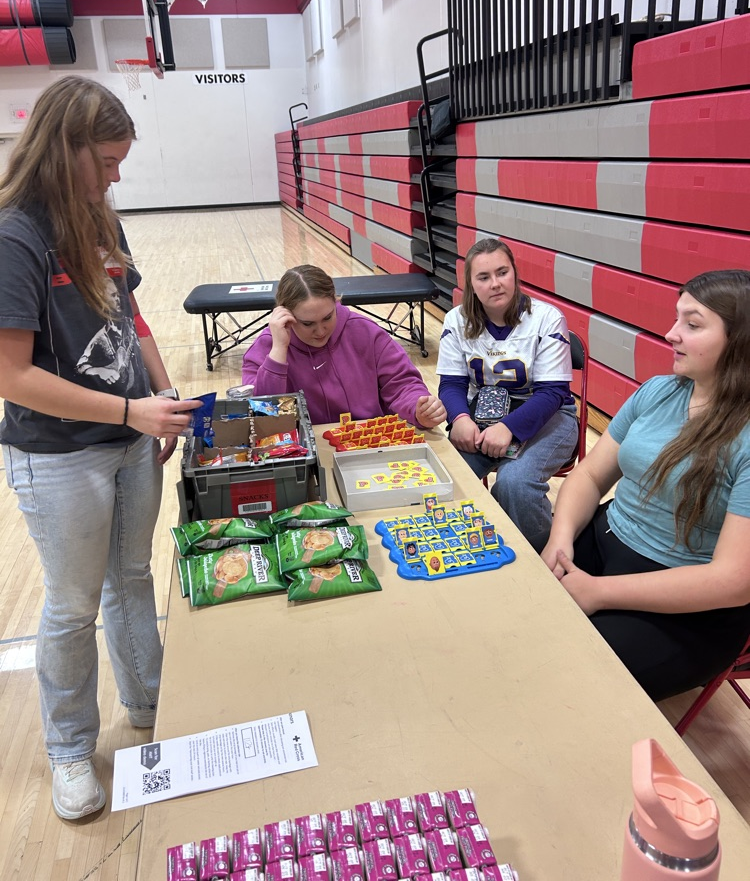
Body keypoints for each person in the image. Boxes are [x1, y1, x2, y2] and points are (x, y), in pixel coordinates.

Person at [0, 77, 200, 820]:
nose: (115, 178)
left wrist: (161, 392)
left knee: (132, 578)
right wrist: (130, 410)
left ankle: (149, 703)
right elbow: (11, 375)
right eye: (107, 162)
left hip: (131, 434)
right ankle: (69, 749)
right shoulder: (15, 235)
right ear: (66, 148)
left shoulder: (100, 217)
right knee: (73, 603)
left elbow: (130, 313)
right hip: (60, 455)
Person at [541, 269, 750, 701]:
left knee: (568, 676)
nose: (672, 334)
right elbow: (590, 475)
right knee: (514, 600)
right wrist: (560, 541)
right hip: (607, 541)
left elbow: (733, 580)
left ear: (740, 341)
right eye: (676, 318)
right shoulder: (658, 391)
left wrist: (598, 592)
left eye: (692, 324)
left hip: (687, 604)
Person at [437, 238, 578, 550]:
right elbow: (451, 384)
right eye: (483, 277)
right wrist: (459, 418)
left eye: (502, 272)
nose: (495, 283)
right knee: (448, 475)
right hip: (483, 411)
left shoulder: (547, 318)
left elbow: (553, 393)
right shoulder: (456, 320)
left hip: (550, 415)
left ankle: (544, 559)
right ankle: (472, 550)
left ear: (515, 273)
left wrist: (509, 427)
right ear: (471, 285)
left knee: (515, 484)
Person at [241, 264, 446, 428]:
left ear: (336, 301)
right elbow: (263, 417)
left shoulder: (364, 332)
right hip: (303, 450)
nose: (320, 331)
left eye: (327, 317)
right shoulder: (267, 347)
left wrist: (418, 408)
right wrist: (278, 351)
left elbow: (402, 383)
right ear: (286, 315)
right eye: (308, 323)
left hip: (367, 442)